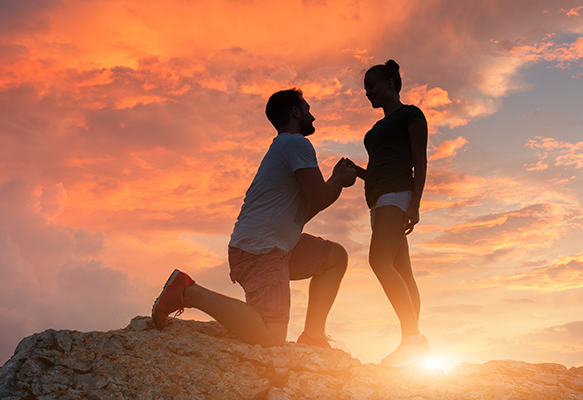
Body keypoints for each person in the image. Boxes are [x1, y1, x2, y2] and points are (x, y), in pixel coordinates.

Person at [151, 88, 358, 348]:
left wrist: (334, 181)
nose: (312, 116)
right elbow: (319, 198)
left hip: (275, 247)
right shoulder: (296, 143)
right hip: (260, 250)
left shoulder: (284, 147)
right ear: (296, 112)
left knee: (335, 258)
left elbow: (302, 214)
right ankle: (186, 290)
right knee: (271, 339)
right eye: (308, 109)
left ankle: (314, 337)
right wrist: (339, 181)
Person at [351, 59, 432, 366]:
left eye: (371, 86)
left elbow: (420, 161)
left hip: (398, 196)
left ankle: (413, 340)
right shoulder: (373, 132)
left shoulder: (411, 115)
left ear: (390, 83)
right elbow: (376, 172)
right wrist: (355, 171)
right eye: (365, 89)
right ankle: (413, 342)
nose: (367, 92)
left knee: (379, 261)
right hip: (379, 200)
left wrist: (415, 204)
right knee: (404, 273)